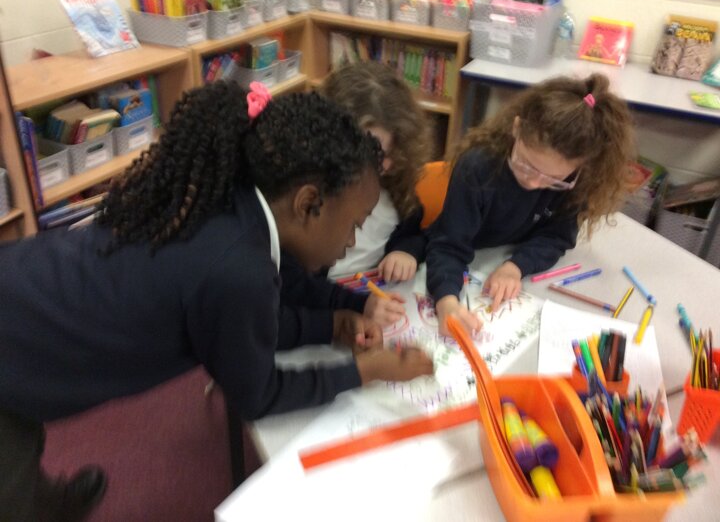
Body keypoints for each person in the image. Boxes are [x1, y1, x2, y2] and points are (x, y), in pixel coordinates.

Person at [0, 82, 433, 521]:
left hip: (25, 293)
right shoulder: (239, 269)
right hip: (16, 343)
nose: (353, 241)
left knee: (25, 436)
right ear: (308, 204)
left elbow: (235, 331)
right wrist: (365, 371)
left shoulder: (237, 205)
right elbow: (257, 395)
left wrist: (332, 324)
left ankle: (43, 500)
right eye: (354, 224)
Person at [426, 73, 634, 335]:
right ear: (516, 128)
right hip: (464, 257)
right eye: (525, 165)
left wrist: (516, 266)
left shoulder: (578, 182)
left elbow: (557, 237)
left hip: (500, 261)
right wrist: (446, 302)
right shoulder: (478, 167)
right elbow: (449, 244)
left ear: (581, 167)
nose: (534, 183)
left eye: (553, 179)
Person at [280, 62, 433, 327]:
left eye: (388, 155)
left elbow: (413, 230)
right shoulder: (302, 204)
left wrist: (405, 251)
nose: (381, 166)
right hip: (322, 312)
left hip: (374, 297)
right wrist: (350, 310)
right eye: (369, 153)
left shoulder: (394, 185)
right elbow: (294, 291)